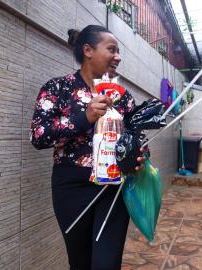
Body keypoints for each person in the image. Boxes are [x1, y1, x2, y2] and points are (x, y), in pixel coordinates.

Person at [30, 25, 144, 270]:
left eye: (119, 51)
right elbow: (39, 136)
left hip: (113, 190)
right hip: (71, 189)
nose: (118, 57)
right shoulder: (58, 89)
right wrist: (85, 117)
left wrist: (138, 155)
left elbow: (136, 139)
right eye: (112, 50)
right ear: (88, 50)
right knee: (80, 262)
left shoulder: (122, 97)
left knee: (106, 263)